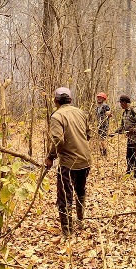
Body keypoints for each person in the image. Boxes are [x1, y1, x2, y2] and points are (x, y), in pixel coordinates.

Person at [44, 87, 92, 237]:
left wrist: (51, 157)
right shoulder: (81, 112)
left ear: (56, 101)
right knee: (80, 191)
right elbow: (88, 134)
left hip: (68, 163)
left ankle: (68, 233)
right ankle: (80, 222)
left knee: (65, 196)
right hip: (85, 160)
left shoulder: (57, 116)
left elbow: (58, 140)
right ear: (70, 100)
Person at [115, 95, 136, 178]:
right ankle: (129, 171)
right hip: (130, 138)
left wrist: (134, 128)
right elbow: (123, 126)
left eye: (121, 103)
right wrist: (116, 132)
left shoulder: (134, 110)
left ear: (124, 102)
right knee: (129, 155)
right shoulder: (124, 112)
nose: (120, 105)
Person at [94, 92, 112, 156]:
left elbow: (109, 114)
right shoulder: (97, 108)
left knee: (102, 140)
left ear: (104, 99)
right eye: (98, 97)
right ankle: (102, 154)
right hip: (99, 126)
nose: (98, 99)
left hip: (104, 126)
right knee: (99, 141)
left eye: (100, 98)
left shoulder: (105, 106)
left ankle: (105, 154)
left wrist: (109, 114)